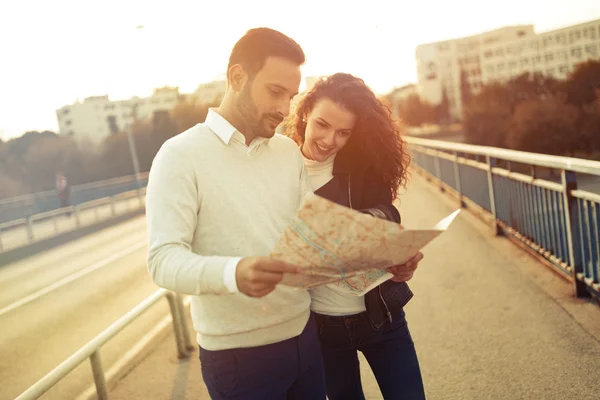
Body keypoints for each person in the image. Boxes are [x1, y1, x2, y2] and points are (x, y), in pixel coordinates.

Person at [145, 28, 327, 399]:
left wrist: (379, 259)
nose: (284, 109)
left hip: (306, 338)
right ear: (237, 77)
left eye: (291, 97)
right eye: (275, 92)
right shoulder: (179, 155)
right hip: (238, 360)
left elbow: (313, 232)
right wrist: (234, 272)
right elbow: (162, 260)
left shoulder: (288, 152)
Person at [287, 73, 426, 399]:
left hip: (382, 317)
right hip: (322, 330)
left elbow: (388, 213)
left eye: (343, 132)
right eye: (322, 124)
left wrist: (393, 251)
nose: (329, 139)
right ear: (305, 112)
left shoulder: (360, 165)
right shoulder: (281, 166)